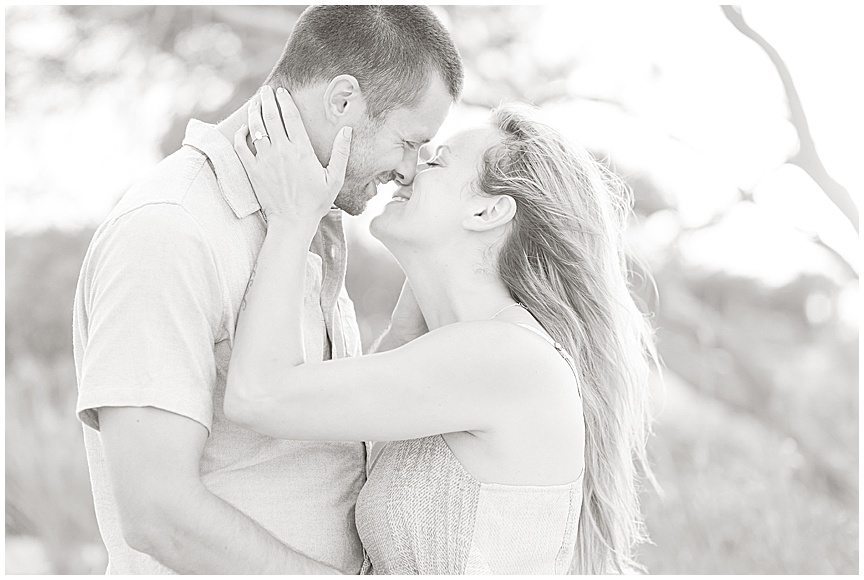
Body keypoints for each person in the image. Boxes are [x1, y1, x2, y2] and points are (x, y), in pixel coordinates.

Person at [72, 5, 463, 574]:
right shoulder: (170, 230)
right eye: (408, 141)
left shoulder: (307, 220)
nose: (409, 169)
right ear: (344, 101)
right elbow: (156, 511)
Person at [224, 91, 658, 574]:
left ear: (487, 212)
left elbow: (257, 395)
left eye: (436, 163)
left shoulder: (501, 357)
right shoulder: (470, 352)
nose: (407, 171)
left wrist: (292, 219)